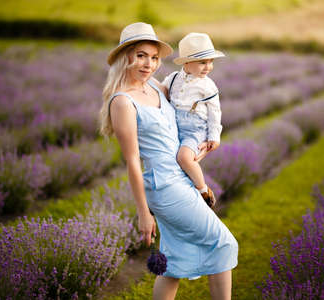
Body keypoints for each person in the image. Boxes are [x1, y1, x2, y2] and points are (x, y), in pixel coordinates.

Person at [99, 22, 238, 300]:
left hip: (180, 177)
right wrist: (143, 212)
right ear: (124, 56)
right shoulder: (123, 102)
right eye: (140, 55)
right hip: (163, 186)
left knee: (172, 263)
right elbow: (133, 161)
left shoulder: (155, 86)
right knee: (223, 243)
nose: (148, 64)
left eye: (153, 57)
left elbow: (187, 108)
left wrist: (206, 140)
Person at [162, 32, 224, 208]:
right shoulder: (173, 78)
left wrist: (214, 137)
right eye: (203, 62)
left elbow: (214, 112)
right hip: (173, 126)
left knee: (184, 158)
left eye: (211, 62)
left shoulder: (208, 85)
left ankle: (203, 190)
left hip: (194, 129)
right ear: (186, 63)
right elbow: (160, 92)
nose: (208, 67)